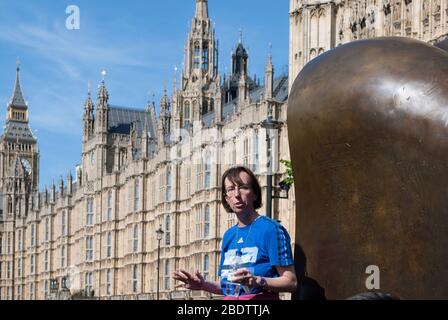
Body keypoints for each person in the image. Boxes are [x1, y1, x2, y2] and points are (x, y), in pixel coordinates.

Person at [173, 166, 297, 300]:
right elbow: (228, 287)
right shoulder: (228, 236)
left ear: (255, 194)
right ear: (226, 198)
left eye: (243, 187)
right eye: (231, 189)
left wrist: (257, 281)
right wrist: (203, 284)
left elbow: (291, 282)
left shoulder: (271, 230)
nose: (237, 195)